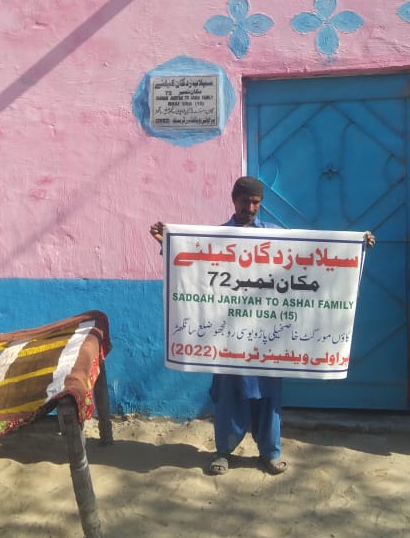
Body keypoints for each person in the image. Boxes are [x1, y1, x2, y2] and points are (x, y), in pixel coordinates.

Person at [150, 175, 375, 476]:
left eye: (256, 202)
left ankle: (270, 452)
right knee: (228, 396)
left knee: (269, 398)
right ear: (234, 200)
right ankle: (223, 452)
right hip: (229, 338)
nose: (251, 207)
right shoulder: (217, 237)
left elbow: (311, 260)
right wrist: (168, 244)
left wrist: (356, 248)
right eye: (245, 201)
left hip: (268, 340)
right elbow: (194, 267)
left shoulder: (275, 237)